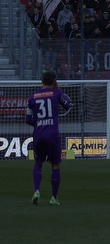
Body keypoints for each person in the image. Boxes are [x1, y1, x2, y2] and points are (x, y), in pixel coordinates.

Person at [25, 71, 72, 205]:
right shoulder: (56, 94)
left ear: (42, 81)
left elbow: (28, 119)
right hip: (53, 135)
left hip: (39, 134)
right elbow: (68, 105)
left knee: (38, 163)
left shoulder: (32, 97)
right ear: (54, 81)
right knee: (55, 164)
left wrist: (39, 123)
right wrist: (58, 91)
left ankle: (36, 191)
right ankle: (54, 197)